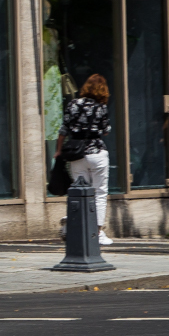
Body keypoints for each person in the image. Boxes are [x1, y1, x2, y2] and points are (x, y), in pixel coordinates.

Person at [58, 74, 113, 245]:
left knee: (79, 192)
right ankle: (97, 232)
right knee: (99, 193)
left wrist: (59, 150)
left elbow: (63, 130)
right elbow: (106, 131)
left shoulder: (73, 104)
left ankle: (71, 223)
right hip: (97, 154)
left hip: (77, 155)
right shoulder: (101, 107)